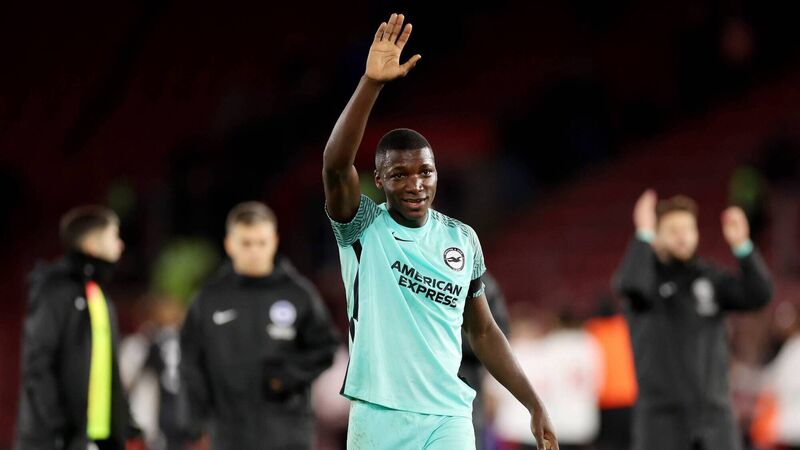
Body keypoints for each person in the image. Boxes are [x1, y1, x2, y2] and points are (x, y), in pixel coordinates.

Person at [322, 13, 558, 450]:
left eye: (425, 172)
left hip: (448, 415)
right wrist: (370, 84)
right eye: (399, 175)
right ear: (379, 179)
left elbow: (483, 331)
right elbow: (336, 167)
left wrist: (533, 402)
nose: (415, 184)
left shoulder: (461, 239)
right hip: (378, 414)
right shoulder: (363, 226)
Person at [613, 190, 773, 450]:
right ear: (656, 236)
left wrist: (743, 247)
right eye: (673, 230)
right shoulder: (646, 280)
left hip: (715, 418)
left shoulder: (710, 278)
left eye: (688, 229)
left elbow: (759, 295)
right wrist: (642, 234)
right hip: (661, 421)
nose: (682, 236)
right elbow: (630, 286)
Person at [178, 202, 339, 450]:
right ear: (229, 244)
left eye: (261, 242)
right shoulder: (208, 299)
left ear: (274, 242)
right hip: (228, 436)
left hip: (288, 434)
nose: (254, 251)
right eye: (246, 243)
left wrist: (288, 376)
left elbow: (326, 348)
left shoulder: (298, 294)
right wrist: (194, 422)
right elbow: (190, 362)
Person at [14, 205, 139, 450]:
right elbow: (38, 365)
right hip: (53, 441)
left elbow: (109, 369)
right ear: (91, 245)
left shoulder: (99, 296)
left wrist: (126, 425)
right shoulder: (54, 291)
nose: (120, 245)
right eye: (113, 236)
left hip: (93, 441)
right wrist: (60, 427)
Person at [458, 273, 511, 450]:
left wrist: (446, 337)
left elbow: (496, 338)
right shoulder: (409, 269)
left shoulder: (480, 282)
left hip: (466, 392)